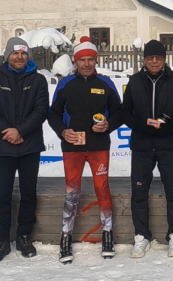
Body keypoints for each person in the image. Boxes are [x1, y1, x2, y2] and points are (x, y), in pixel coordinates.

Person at [48, 36, 121, 263]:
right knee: (72, 193)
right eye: (83, 60)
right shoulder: (65, 84)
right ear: (75, 61)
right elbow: (53, 114)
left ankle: (108, 234)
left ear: (95, 61)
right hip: (73, 147)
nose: (87, 64)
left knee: (102, 189)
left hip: (99, 146)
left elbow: (120, 112)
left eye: (91, 59)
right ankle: (66, 237)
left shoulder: (106, 84)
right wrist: (62, 131)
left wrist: (109, 125)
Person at [0, 37, 50, 263]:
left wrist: (20, 131)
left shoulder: (38, 80)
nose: (19, 57)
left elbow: (41, 111)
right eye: (15, 53)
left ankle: (23, 236)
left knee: (29, 193)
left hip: (30, 146)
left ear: (27, 56)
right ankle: (2, 240)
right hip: (3, 146)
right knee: (3, 194)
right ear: (7, 55)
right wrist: (7, 131)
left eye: (23, 53)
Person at [120, 39, 173, 258]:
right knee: (139, 191)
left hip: (168, 144)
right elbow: (125, 112)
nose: (154, 61)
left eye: (158, 57)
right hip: (142, 145)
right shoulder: (134, 81)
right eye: (150, 57)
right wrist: (140, 126)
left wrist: (172, 125)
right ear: (144, 60)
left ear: (164, 59)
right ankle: (141, 236)